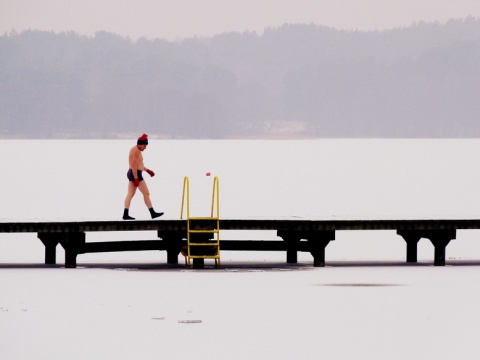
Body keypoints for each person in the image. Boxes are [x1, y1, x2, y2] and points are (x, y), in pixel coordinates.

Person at [123, 134, 164, 220]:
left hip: (132, 173)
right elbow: (134, 166)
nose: (145, 147)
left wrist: (147, 170)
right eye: (144, 145)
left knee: (130, 194)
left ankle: (125, 214)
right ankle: (152, 213)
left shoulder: (135, 149)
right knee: (146, 193)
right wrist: (136, 178)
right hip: (135, 174)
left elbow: (138, 165)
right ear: (140, 144)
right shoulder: (136, 151)